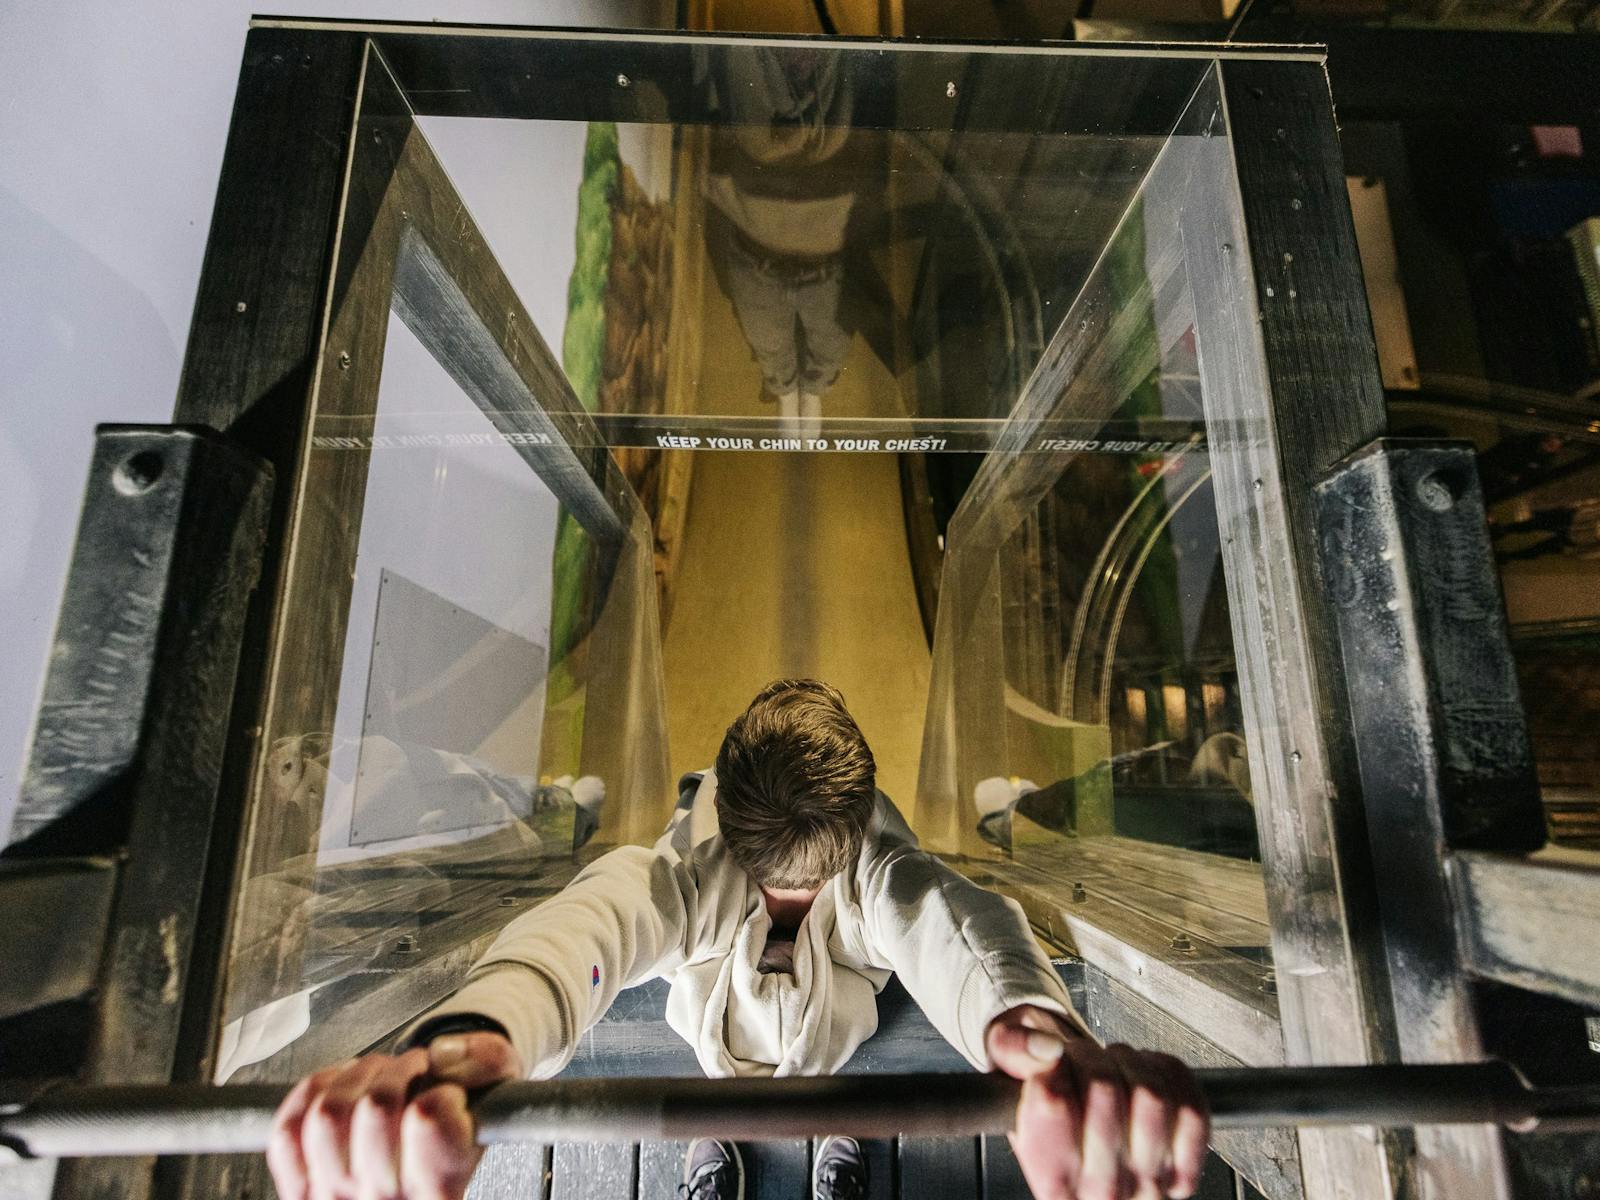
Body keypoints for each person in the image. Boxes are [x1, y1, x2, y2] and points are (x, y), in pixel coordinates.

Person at [268, 680, 1209, 1200]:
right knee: (724, 1082)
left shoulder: (871, 861)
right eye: (781, 883)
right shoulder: (691, 869)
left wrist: (1026, 1023)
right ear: (733, 829)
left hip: (831, 1042)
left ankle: (817, 1129)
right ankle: (729, 1128)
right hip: (721, 1041)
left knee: (825, 1080)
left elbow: (949, 919)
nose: (799, 898)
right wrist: (479, 1031)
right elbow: (594, 922)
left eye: (817, 880)